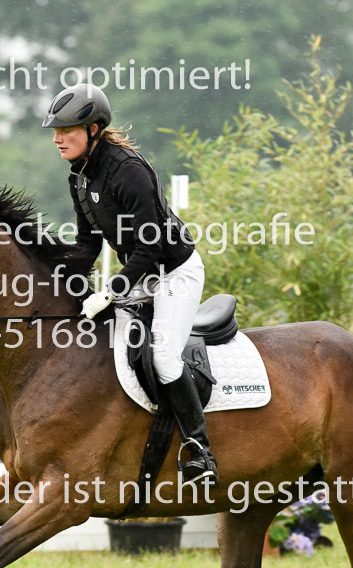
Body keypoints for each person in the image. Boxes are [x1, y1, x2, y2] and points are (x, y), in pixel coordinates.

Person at [42, 83, 218, 485]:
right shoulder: (80, 176)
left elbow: (150, 247)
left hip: (174, 272)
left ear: (93, 129)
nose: (56, 139)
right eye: (55, 131)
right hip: (141, 274)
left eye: (65, 130)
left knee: (163, 357)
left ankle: (200, 450)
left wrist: (112, 290)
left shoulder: (129, 171)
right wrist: (62, 278)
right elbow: (88, 242)